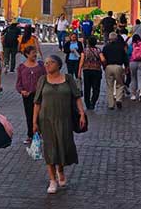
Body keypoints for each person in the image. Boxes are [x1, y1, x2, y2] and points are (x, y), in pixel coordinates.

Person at [33, 55, 85, 194]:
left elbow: (77, 97)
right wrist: (34, 122)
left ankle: (60, 169)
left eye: (51, 62)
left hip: (65, 119)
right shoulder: (42, 80)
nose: (47, 65)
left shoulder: (68, 79)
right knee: (50, 148)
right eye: (46, 63)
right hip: (46, 119)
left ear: (59, 64)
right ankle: (52, 180)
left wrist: (81, 114)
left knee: (63, 145)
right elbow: (37, 102)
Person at [16, 46, 46, 144]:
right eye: (33, 52)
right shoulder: (21, 67)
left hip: (40, 94)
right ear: (27, 54)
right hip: (27, 96)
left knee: (40, 115)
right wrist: (21, 91)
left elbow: (46, 78)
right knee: (29, 115)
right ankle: (31, 134)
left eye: (35, 52)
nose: (35, 54)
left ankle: (40, 132)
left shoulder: (41, 65)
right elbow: (18, 83)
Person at [100, 32, 129, 110]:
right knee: (120, 84)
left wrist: (104, 67)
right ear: (116, 39)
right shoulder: (120, 47)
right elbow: (125, 58)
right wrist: (126, 67)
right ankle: (119, 99)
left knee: (110, 86)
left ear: (109, 38)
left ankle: (111, 104)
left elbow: (103, 58)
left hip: (108, 67)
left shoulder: (106, 47)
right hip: (118, 67)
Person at [78, 36, 102, 110]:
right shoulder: (98, 50)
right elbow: (103, 59)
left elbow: (81, 62)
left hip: (87, 70)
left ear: (88, 43)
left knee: (87, 87)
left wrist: (79, 72)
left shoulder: (84, 51)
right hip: (96, 70)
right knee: (96, 88)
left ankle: (87, 103)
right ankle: (93, 102)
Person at [129, 34, 141, 102]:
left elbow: (128, 53)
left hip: (133, 62)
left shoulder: (131, 45)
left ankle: (133, 95)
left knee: (133, 78)